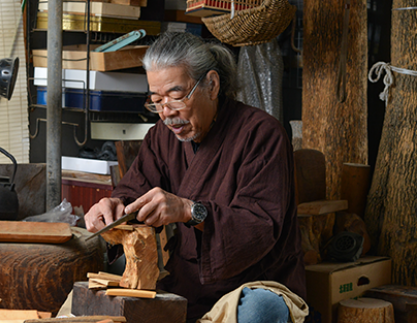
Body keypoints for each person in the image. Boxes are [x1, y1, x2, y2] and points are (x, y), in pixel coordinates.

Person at [85, 32, 306, 323]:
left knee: (258, 311)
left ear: (212, 85)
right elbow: (134, 192)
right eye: (156, 101)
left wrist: (189, 210)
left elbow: (260, 226)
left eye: (176, 97)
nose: (166, 113)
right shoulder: (161, 138)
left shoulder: (261, 135)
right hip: (184, 285)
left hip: (252, 283)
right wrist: (113, 206)